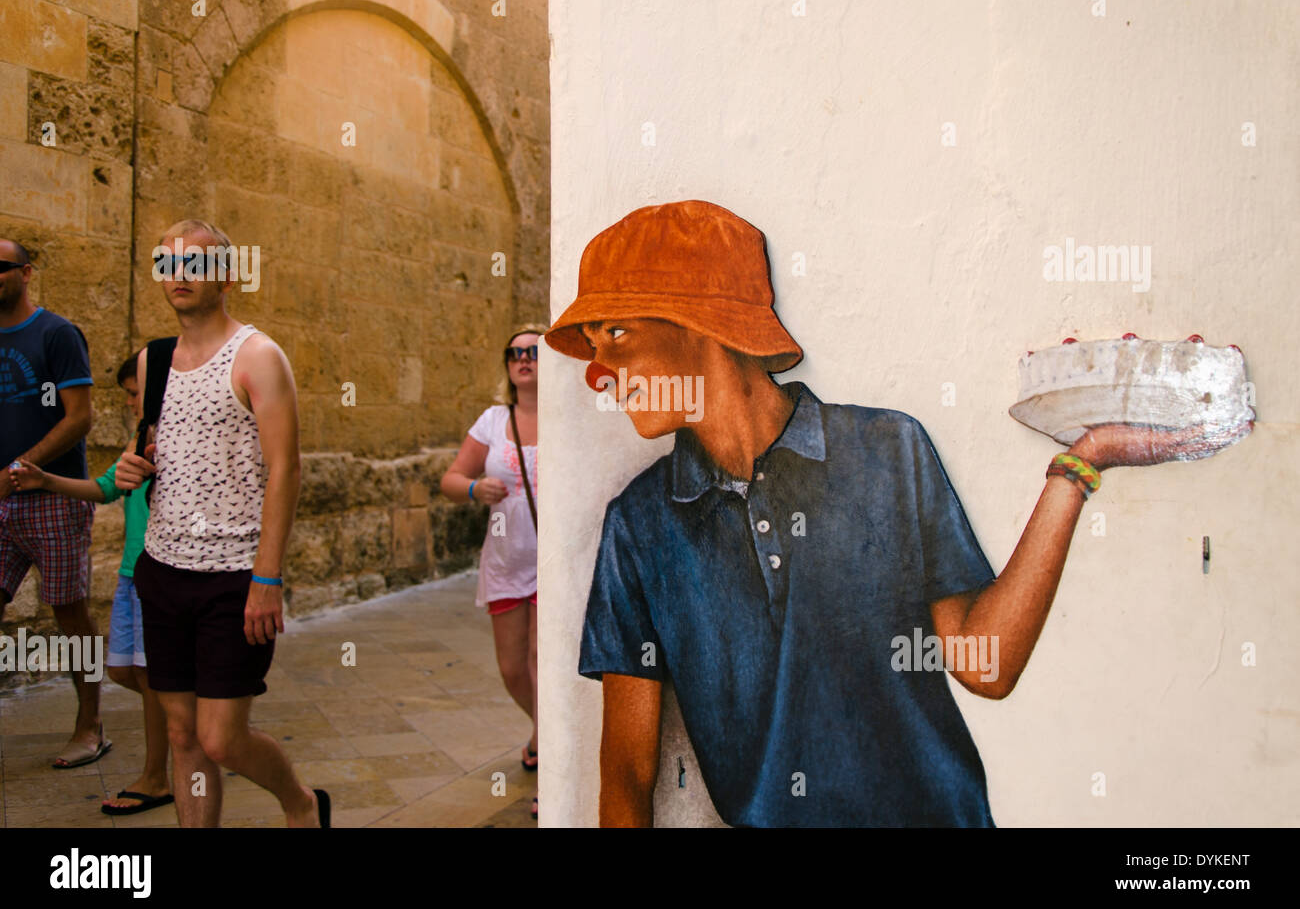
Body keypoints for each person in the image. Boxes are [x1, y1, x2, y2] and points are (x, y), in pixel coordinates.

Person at [543, 200, 1231, 827]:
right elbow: (627, 773)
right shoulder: (639, 526)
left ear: (701, 325)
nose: (596, 371)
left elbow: (984, 665)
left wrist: (1083, 462)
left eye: (615, 334)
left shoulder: (886, 450)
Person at [112, 218, 327, 828]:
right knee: (181, 734)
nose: (179, 276)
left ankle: (301, 802)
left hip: (234, 577)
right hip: (162, 568)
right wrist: (135, 466)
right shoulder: (154, 360)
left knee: (222, 739)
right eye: (168, 263)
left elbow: (285, 469)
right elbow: (158, 446)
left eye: (195, 263)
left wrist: (268, 577)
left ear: (227, 276)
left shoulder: (258, 356)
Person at [9, 351, 174, 814]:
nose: (127, 402)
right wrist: (48, 480)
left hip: (158, 576)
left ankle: (157, 774)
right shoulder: (138, 438)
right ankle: (190, 717)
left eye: (133, 392)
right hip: (130, 575)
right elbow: (104, 488)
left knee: (149, 675)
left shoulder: (180, 441)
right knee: (123, 671)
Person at [0, 237, 107, 769]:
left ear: (26, 272)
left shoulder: (56, 333)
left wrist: (22, 470)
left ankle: (90, 724)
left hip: (52, 498)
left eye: (2, 266)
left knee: (69, 612)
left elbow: (80, 416)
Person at [441, 325, 542, 819]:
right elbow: (451, 477)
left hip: (551, 562)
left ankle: (552, 770)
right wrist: (472, 490)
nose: (523, 359)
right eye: (515, 353)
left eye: (534, 352)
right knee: (511, 668)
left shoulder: (566, 421)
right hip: (505, 559)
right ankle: (544, 730)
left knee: (543, 660)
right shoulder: (492, 420)